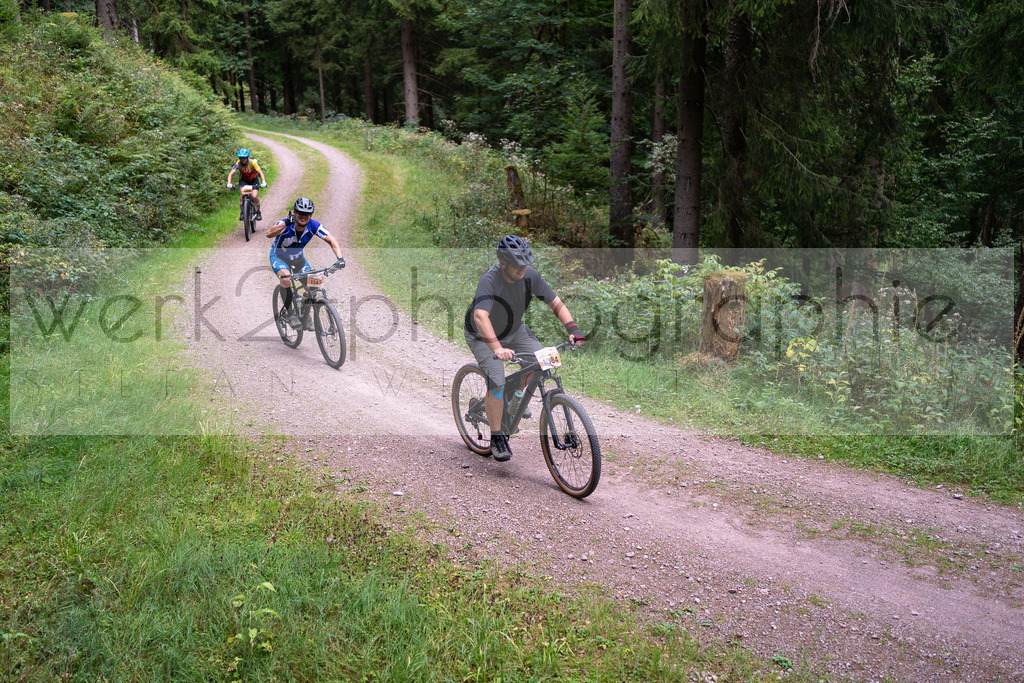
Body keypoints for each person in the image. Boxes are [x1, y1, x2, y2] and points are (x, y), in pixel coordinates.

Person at [464, 234, 585, 462]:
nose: (522, 268)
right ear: (503, 263)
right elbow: (480, 316)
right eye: (517, 264)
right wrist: (497, 348)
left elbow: (555, 303)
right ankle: (497, 436)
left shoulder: (530, 276)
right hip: (482, 335)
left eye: (525, 263)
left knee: (541, 362)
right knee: (497, 380)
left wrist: (573, 328)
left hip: (514, 329)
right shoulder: (490, 280)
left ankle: (514, 398)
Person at [267, 197, 346, 331]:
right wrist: (285, 223)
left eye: (307, 214)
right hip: (279, 257)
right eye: (300, 213)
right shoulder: (286, 223)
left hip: (298, 259)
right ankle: (291, 314)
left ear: (311, 215)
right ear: (295, 213)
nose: (303, 216)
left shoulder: (313, 225)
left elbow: (331, 240)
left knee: (314, 284)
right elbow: (269, 234)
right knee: (286, 279)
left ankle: (304, 312)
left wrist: (340, 258)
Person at [226, 148, 267, 222]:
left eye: (244, 158)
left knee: (254, 196)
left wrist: (263, 182)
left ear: (247, 157)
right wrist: (229, 183)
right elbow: (231, 174)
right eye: (241, 158)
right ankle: (242, 212)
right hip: (244, 181)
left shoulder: (252, 163)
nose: (243, 160)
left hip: (254, 180)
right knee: (242, 194)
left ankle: (258, 211)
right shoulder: (238, 164)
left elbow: (260, 172)